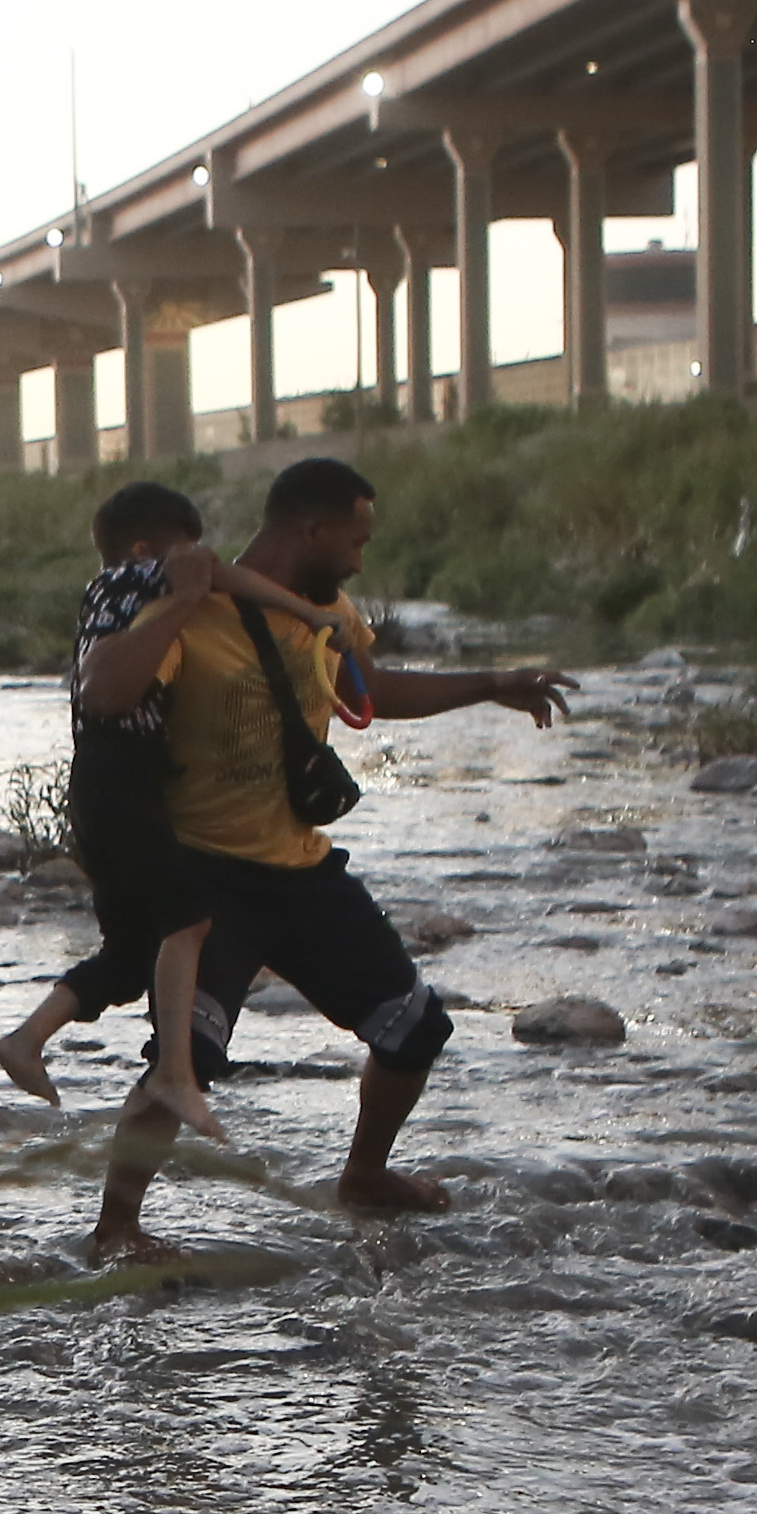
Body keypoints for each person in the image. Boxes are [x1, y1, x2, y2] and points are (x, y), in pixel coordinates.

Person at [76, 455, 568, 1263]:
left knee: (415, 1031)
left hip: (301, 872)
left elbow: (369, 687)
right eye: (355, 540)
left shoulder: (329, 611)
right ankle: (115, 1228)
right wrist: (178, 605)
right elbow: (103, 692)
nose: (358, 560)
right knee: (183, 1060)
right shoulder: (192, 604)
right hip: (205, 878)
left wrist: (490, 683)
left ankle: (365, 1175)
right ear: (311, 530)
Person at [0, 481, 351, 1129]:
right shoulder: (142, 578)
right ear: (143, 549)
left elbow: (223, 579)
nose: (199, 562)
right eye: (186, 550)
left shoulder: (108, 590)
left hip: (103, 782)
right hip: (121, 777)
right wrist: (310, 611)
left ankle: (25, 1040)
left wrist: (309, 615)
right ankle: (177, 1076)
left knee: (130, 954)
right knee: (187, 922)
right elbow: (224, 577)